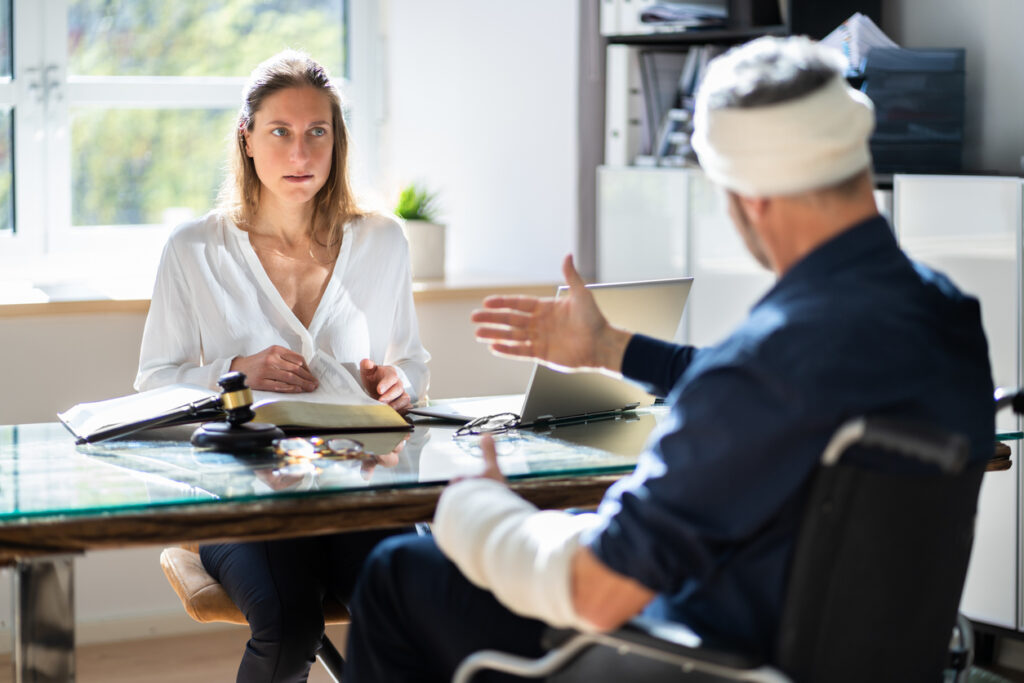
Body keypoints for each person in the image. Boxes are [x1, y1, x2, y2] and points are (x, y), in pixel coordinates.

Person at [341, 35, 994, 681]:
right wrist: (611, 348)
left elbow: (597, 589)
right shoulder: (946, 317)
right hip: (834, 649)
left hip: (692, 658)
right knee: (567, 522)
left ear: (753, 196)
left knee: (398, 572)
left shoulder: (768, 364)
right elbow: (769, 392)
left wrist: (478, 511)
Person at [135, 50, 429, 682]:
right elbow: (154, 386)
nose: (301, 153)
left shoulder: (381, 240)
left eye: (317, 132)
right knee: (291, 620)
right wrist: (235, 370)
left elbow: (410, 360)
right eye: (281, 132)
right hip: (240, 497)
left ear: (337, 140)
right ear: (246, 138)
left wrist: (400, 382)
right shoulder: (194, 249)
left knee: (414, 605)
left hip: (355, 486)